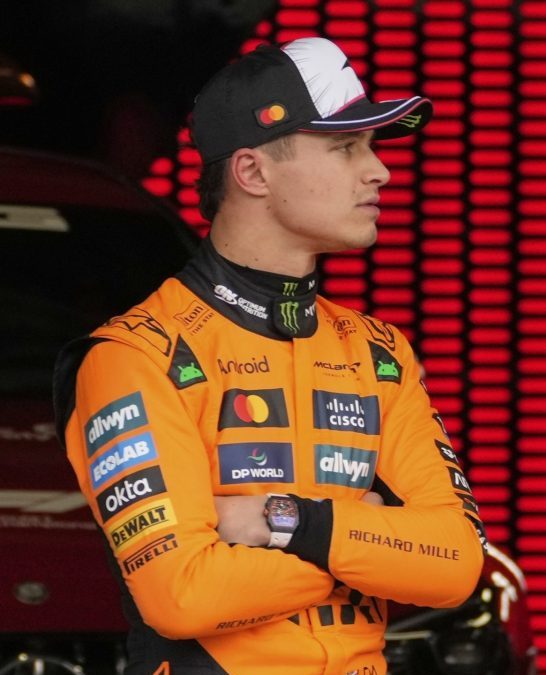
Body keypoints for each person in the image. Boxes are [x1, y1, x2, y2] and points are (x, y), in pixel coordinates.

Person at [52, 37, 486, 674]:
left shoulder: (380, 352)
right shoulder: (136, 356)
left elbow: (455, 565)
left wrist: (286, 522)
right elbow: (185, 596)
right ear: (253, 173)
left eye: (371, 146)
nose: (379, 171)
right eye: (346, 147)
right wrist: (366, 544)